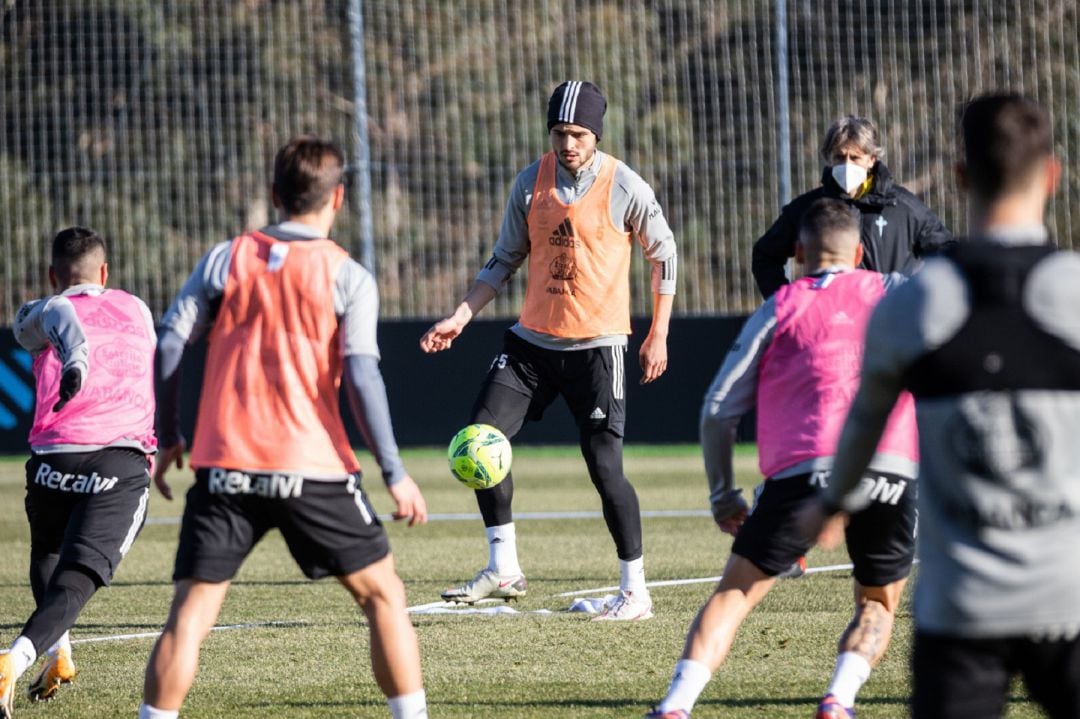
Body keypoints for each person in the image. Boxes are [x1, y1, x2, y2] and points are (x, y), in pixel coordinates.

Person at [798, 94, 1080, 718]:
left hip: (961, 611)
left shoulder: (911, 305)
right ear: (1052, 175)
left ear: (959, 176)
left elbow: (862, 427)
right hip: (1069, 600)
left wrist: (832, 503)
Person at [139, 136, 429, 719]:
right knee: (384, 596)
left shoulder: (227, 258)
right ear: (339, 198)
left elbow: (169, 342)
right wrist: (395, 473)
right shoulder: (348, 275)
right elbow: (363, 379)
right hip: (312, 468)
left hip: (225, 466)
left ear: (274, 195)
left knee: (191, 612)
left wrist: (167, 433)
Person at [646, 198, 918, 719]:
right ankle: (839, 699)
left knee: (735, 595)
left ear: (797, 254)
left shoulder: (781, 306)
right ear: (861, 253)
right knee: (878, 602)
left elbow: (718, 410)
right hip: (890, 469)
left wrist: (724, 494)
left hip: (803, 471)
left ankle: (676, 707)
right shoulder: (893, 292)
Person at [420, 80, 677, 620]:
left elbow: (664, 254)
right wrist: (461, 315)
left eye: (579, 134)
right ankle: (503, 567)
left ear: (596, 135)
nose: (568, 143)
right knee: (478, 442)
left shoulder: (624, 184)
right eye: (560, 133)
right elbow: (503, 260)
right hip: (531, 344)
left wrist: (659, 332)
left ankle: (635, 591)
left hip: (596, 347)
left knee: (605, 468)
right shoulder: (530, 182)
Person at [0, 227, 157, 718]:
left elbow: (40, 324)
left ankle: (59, 655)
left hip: (51, 460)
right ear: (105, 273)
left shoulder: (44, 313)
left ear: (52, 275)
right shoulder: (137, 309)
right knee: (80, 578)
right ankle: (14, 659)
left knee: (47, 548)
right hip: (118, 458)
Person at [752, 115, 953, 299]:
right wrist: (786, 302)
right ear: (829, 159)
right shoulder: (809, 209)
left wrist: (920, 301)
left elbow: (947, 253)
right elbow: (765, 255)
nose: (847, 165)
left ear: (872, 159)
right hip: (832, 328)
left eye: (855, 158)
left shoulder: (903, 207)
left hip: (889, 324)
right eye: (839, 157)